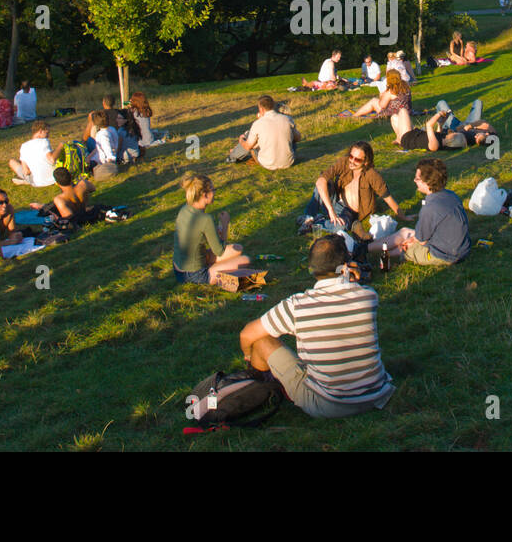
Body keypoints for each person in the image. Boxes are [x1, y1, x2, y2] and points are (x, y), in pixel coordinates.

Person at [237, 234, 394, 419]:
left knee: (262, 342)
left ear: (311, 269)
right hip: (378, 395)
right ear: (346, 266)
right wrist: (351, 280)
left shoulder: (297, 305)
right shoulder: (368, 296)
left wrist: (248, 355)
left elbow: (247, 335)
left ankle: (259, 385)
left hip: (327, 405)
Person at [298, 142, 410, 240]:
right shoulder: (344, 162)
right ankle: (309, 216)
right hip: (335, 201)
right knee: (324, 184)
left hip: (349, 210)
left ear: (366, 162)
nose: (352, 161)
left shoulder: (372, 175)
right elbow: (320, 182)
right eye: (351, 156)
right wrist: (331, 210)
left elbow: (387, 198)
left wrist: (403, 217)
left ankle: (315, 223)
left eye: (357, 159)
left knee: (342, 227)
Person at [375, 158, 470, 266]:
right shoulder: (451, 195)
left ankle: (382, 254)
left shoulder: (430, 207)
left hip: (447, 255)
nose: (414, 181)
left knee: (407, 246)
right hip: (461, 248)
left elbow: (422, 241)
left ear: (427, 182)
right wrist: (413, 238)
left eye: (417, 178)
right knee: (405, 232)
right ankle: (372, 249)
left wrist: (411, 242)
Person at [173, 173, 250, 285]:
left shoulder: (185, 209)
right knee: (245, 260)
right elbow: (219, 251)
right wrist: (224, 225)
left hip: (178, 268)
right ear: (205, 195)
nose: (214, 193)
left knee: (238, 248)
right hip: (194, 274)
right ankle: (211, 272)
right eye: (213, 190)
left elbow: (196, 237)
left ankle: (213, 267)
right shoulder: (205, 219)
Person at [229, 95, 301, 169]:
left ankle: (233, 155)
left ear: (261, 109)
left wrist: (241, 140)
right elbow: (298, 138)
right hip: (288, 162)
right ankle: (235, 152)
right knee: (289, 135)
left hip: (268, 163)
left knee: (248, 136)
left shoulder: (258, 124)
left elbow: (248, 146)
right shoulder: (287, 119)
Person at [400, 101, 496, 151]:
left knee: (441, 103)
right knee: (478, 102)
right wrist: (470, 125)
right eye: (479, 135)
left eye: (477, 138)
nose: (476, 136)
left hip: (454, 128)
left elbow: (454, 134)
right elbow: (484, 123)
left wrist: (459, 128)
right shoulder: (491, 134)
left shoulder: (473, 140)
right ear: (487, 134)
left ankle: (418, 133)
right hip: (469, 123)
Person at [351, 70, 414, 144]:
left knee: (374, 101)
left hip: (393, 112)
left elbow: (382, 105)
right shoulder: (406, 86)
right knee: (377, 101)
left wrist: (382, 95)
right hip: (406, 111)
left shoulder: (391, 91)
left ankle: (355, 115)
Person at [9, 121, 57, 187]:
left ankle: (26, 181)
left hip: (36, 182)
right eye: (47, 133)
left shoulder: (23, 146)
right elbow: (51, 159)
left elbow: (26, 172)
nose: (48, 136)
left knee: (12, 162)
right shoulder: (44, 141)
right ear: (40, 131)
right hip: (53, 178)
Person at [89, 110, 119, 180]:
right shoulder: (112, 129)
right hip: (107, 155)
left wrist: (110, 160)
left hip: (102, 160)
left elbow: (107, 148)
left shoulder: (102, 135)